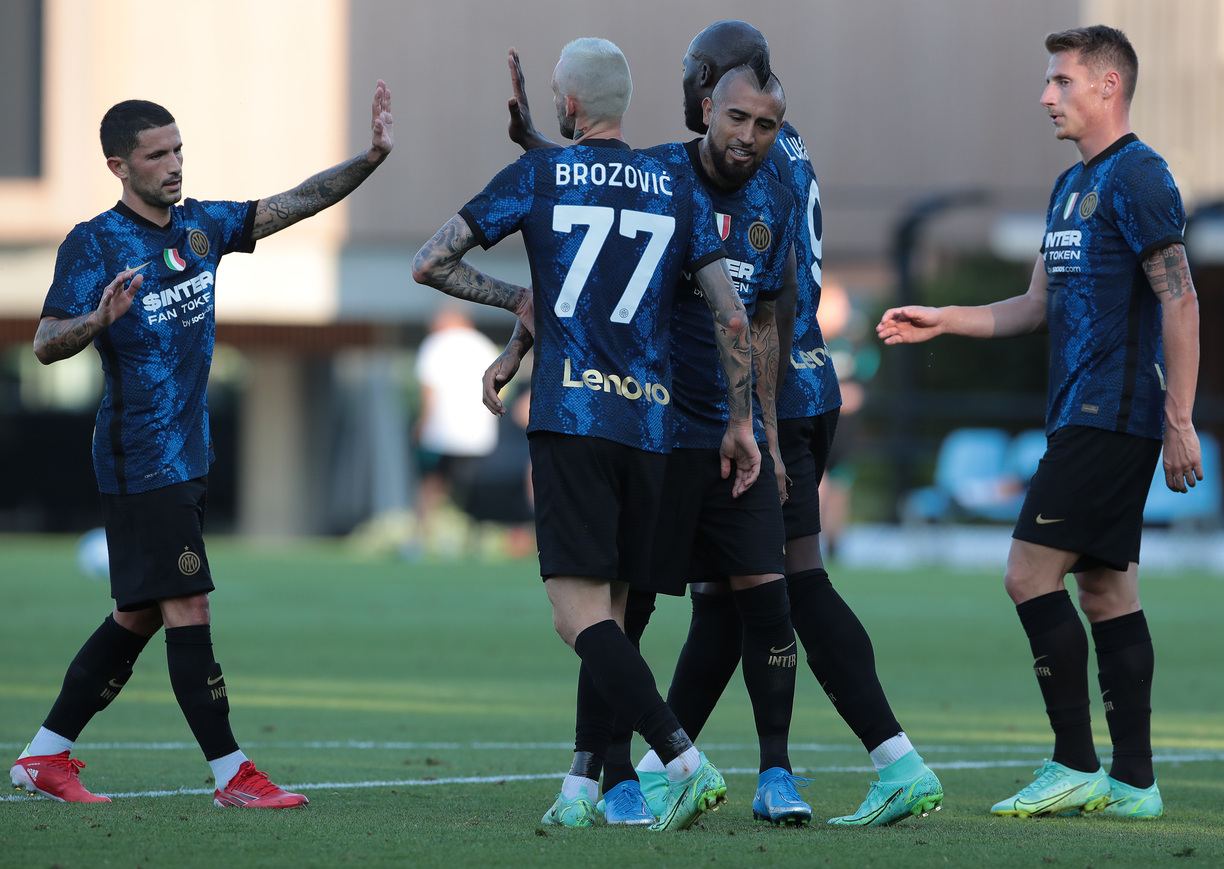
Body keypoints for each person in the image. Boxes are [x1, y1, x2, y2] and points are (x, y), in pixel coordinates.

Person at [497, 21, 944, 828]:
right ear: (712, 105)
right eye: (736, 118)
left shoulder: (759, 174)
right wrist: (543, 145)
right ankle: (625, 772)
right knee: (690, 603)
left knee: (771, 590)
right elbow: (599, 219)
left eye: (760, 122)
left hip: (754, 411)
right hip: (704, 412)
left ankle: (792, 766)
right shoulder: (715, 164)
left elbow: (762, 311)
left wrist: (759, 426)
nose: (747, 133)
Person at [11, 84, 395, 808]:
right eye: (157, 155)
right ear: (119, 166)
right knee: (189, 605)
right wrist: (98, 319)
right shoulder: (94, 243)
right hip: (140, 455)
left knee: (139, 614)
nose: (175, 164)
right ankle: (231, 774)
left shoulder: (200, 226)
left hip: (188, 455)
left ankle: (44, 755)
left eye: (179, 149)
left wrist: (370, 159)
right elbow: (44, 343)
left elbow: (294, 203)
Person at [411, 38, 760, 832]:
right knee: (614, 616)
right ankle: (582, 785)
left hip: (572, 419)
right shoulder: (674, 185)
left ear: (568, 105)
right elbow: (733, 316)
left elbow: (431, 263)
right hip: (653, 427)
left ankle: (682, 759)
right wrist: (740, 420)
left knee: (579, 618)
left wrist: (518, 301)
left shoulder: (538, 174)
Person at [877, 25, 1200, 820]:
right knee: (1106, 589)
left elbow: (1181, 299)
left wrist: (1180, 418)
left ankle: (1073, 761)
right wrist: (944, 318)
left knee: (1027, 574)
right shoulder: (1068, 187)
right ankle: (1134, 781)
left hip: (1112, 414)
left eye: (1061, 80)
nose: (1046, 95)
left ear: (1108, 87)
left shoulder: (1140, 175)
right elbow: (1033, 306)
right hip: (1078, 414)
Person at [410, 306, 500, 556]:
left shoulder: (436, 344)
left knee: (430, 486)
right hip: (478, 435)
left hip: (439, 433)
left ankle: (419, 541)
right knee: (472, 491)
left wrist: (420, 425)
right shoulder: (484, 345)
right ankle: (475, 543)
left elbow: (429, 390)